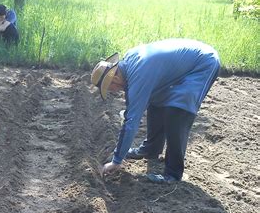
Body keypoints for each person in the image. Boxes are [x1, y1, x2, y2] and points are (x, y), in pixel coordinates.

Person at [91, 38, 220, 184]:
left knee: (177, 110)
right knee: (156, 100)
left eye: (109, 87)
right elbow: (132, 102)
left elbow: (132, 121)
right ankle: (151, 149)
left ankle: (172, 174)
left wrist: (116, 160)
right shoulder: (129, 66)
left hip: (203, 64)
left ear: (115, 77)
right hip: (190, 61)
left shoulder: (139, 74)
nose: (112, 91)